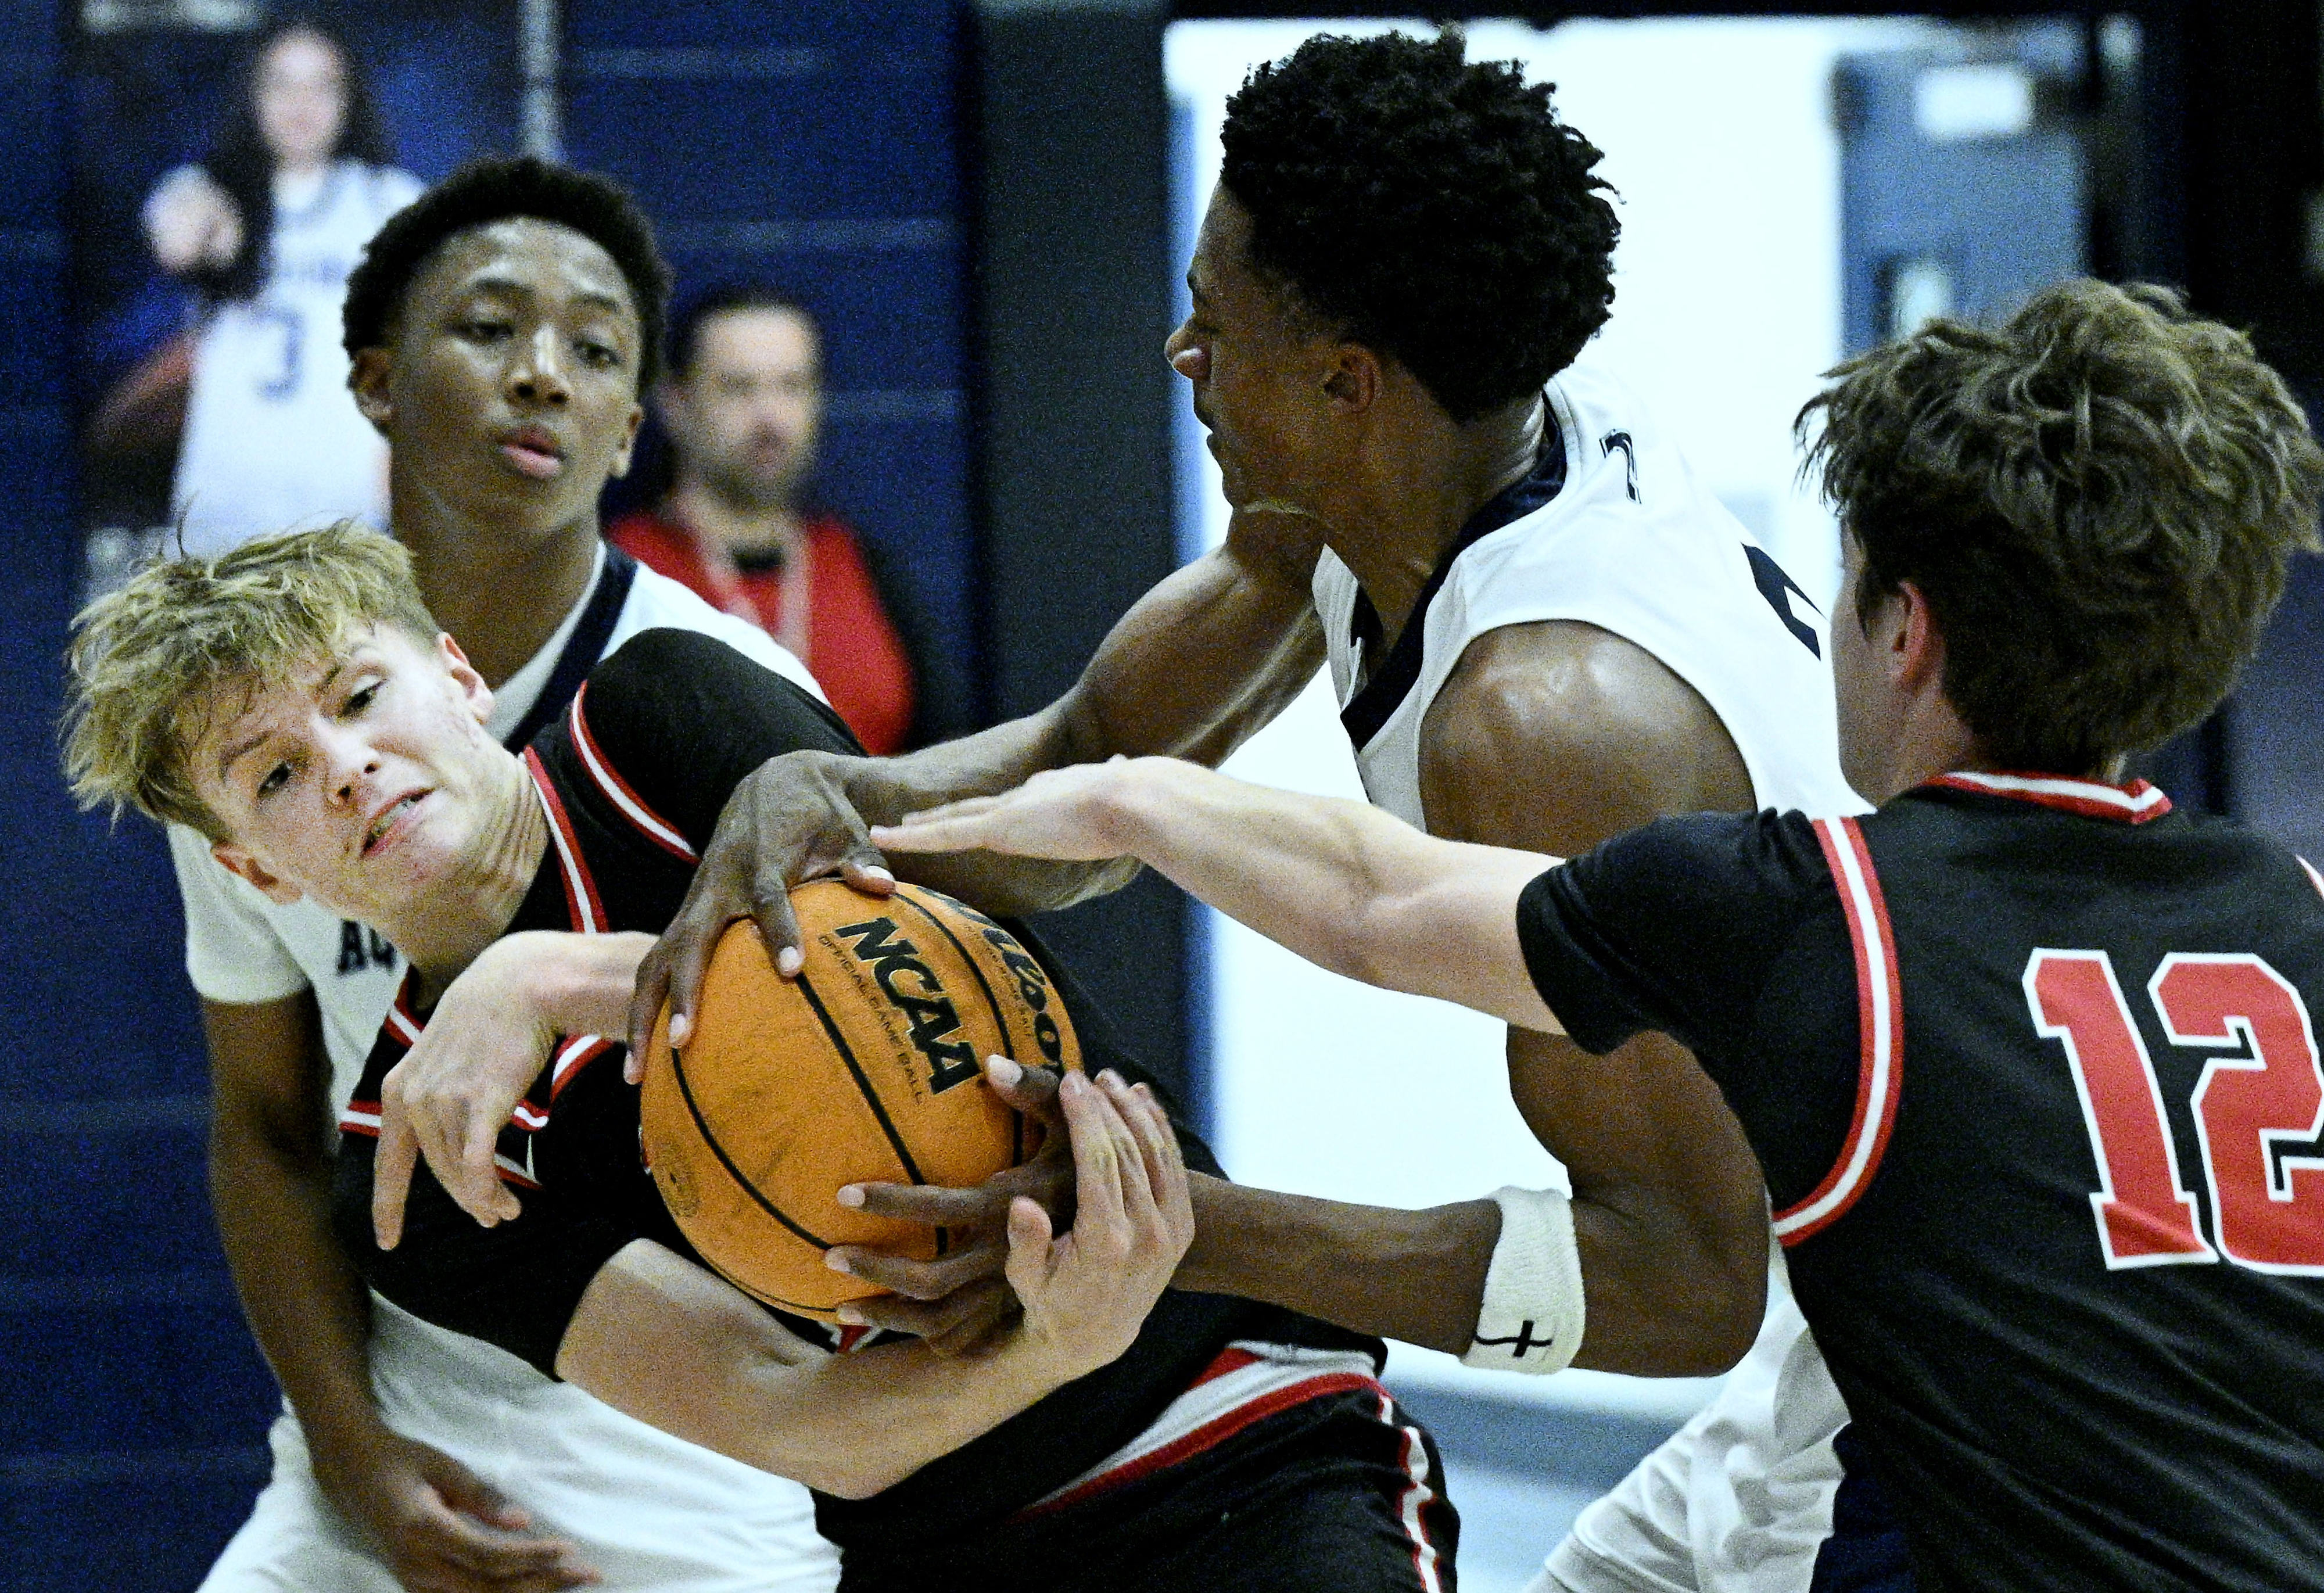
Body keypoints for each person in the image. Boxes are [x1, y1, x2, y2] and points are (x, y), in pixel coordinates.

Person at [614, 31, 1881, 1592]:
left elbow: (1684, 1278)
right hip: (1824, 1338)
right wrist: (842, 797)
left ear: (1348, 378)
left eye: (1215, 323)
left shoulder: (1546, 720)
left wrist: (1178, 1229)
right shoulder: (1385, 476)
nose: (1177, 352)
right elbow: (1085, 768)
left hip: (1931, 1368)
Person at [873, 278, 2324, 1592]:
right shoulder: (2298, 909)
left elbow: (1383, 903)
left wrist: (1126, 796)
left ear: (1903, 631)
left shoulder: (1812, 913)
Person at [67, 525, 1458, 1593]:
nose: (347, 765)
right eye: (274, 775)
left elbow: (901, 966)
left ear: (457, 674)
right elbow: (808, 1422)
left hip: (1220, 1413)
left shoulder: (651, 716)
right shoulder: (418, 1167)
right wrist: (1056, 1334)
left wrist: (544, 973)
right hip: (932, 1547)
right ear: (255, 868)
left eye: (360, 695)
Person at [162, 157, 848, 1592]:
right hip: (388, 1438)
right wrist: (355, 1456)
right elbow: (268, 1132)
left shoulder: (724, 697)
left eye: (595, 350)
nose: (543, 374)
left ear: (624, 432)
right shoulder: (254, 729)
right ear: (376, 381)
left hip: (701, 1435)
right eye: (488, 328)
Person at [608, 285, 939, 754]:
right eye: (739, 388)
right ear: (676, 404)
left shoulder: (859, 560)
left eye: (792, 386)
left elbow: (947, 744)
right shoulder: (615, 568)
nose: (771, 418)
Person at [142, 16, 424, 553]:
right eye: (281, 83)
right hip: (223, 515)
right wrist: (220, 217)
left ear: (349, 99)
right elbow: (175, 240)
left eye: (322, 85)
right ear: (253, 94)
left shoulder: (387, 201)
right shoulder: (209, 188)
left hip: (341, 519)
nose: (301, 103)